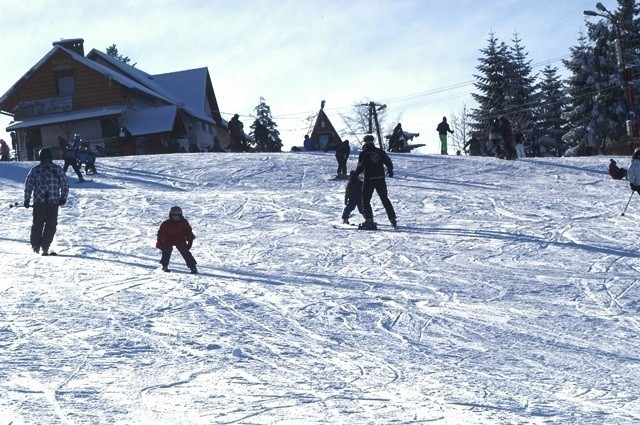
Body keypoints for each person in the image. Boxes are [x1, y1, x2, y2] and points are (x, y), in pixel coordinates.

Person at [23, 148, 69, 256]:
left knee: (51, 224)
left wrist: (63, 197)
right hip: (39, 201)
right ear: (41, 159)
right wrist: (26, 198)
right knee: (37, 224)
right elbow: (29, 185)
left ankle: (45, 246)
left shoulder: (57, 170)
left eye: (48, 158)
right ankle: (35, 245)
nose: (46, 161)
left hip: (53, 201)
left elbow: (65, 184)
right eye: (44, 158)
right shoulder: (36, 170)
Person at [354, 134, 397, 230]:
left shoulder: (364, 153)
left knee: (365, 200)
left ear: (365, 142)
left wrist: (354, 175)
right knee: (385, 199)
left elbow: (360, 167)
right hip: (380, 178)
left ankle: (369, 220)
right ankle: (392, 219)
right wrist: (390, 170)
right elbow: (389, 162)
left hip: (369, 179)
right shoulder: (380, 152)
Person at [156, 206, 198, 274]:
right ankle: (164, 265)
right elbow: (161, 234)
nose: (176, 218)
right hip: (168, 238)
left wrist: (190, 241)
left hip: (180, 238)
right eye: (174, 216)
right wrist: (160, 243)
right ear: (171, 216)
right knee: (166, 250)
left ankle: (192, 267)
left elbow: (188, 232)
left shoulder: (184, 223)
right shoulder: (166, 223)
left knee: (185, 251)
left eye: (178, 216)